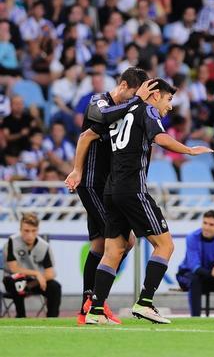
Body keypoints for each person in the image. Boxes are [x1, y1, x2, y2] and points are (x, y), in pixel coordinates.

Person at [71, 79, 213, 325]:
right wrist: (189, 150)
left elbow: (90, 133)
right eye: (168, 100)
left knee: (113, 250)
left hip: (110, 191)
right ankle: (145, 302)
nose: (169, 107)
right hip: (132, 189)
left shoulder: (120, 113)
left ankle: (94, 310)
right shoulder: (146, 109)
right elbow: (160, 137)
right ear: (155, 95)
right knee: (165, 245)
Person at [65, 67, 154, 325]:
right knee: (124, 242)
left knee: (99, 246)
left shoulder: (124, 111)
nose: (134, 100)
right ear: (124, 85)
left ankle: (88, 307)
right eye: (134, 94)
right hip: (92, 184)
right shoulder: (99, 101)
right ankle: (96, 303)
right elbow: (85, 136)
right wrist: (77, 170)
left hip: (107, 187)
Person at [2, 213, 61, 318]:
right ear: (20, 230)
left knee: (55, 287)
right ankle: (21, 316)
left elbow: (50, 273)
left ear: (38, 230)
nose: (30, 235)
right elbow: (14, 268)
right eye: (26, 231)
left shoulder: (44, 246)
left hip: (34, 282)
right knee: (17, 283)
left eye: (34, 231)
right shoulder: (12, 242)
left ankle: (52, 319)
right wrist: (37, 273)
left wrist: (36, 280)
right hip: (14, 280)